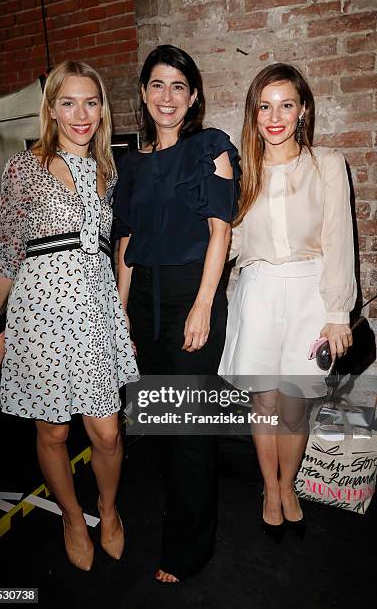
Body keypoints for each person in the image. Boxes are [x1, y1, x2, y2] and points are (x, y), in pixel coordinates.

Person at [0, 60, 139, 571]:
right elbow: (7, 250)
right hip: (40, 312)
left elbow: (115, 249)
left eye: (91, 102)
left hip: (93, 309)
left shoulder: (109, 172)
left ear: (102, 108)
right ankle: (73, 517)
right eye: (68, 102)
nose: (81, 113)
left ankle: (107, 510)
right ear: (50, 108)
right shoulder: (23, 168)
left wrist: (122, 316)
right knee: (52, 432)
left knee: (108, 433)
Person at [113, 45, 240, 582]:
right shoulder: (131, 164)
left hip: (192, 292)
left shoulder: (211, 148)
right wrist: (119, 317)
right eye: (157, 85)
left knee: (187, 429)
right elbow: (125, 244)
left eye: (178, 87)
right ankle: (181, 520)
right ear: (144, 94)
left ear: (192, 98)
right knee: (162, 426)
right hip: (144, 298)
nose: (167, 97)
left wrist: (203, 306)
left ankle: (190, 549)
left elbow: (220, 230)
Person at [219, 63, 356, 539]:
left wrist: (339, 313)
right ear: (253, 114)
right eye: (264, 106)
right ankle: (271, 488)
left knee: (294, 405)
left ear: (302, 112)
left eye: (286, 105)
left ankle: (289, 482)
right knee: (264, 402)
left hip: (308, 293)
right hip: (255, 291)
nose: (274, 116)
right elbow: (229, 242)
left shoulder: (328, 165)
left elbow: (340, 240)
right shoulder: (240, 171)